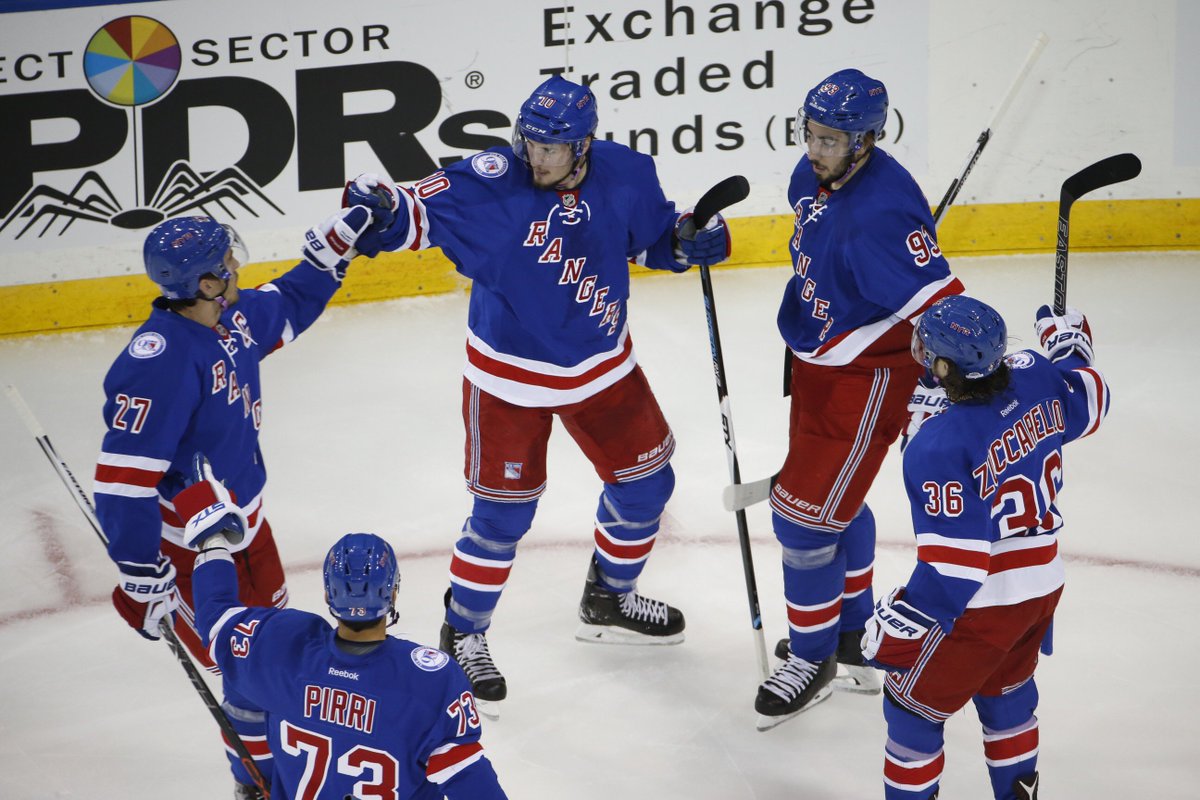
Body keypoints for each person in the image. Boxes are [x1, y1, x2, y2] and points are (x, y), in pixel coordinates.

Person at [342, 74, 732, 712]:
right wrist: (382, 208)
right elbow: (410, 214)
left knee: (648, 487)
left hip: (604, 365)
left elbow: (657, 234)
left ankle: (608, 597)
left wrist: (688, 242)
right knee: (502, 517)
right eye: (532, 144)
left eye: (554, 149)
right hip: (508, 378)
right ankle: (463, 631)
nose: (538, 159)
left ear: (584, 146)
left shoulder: (627, 172)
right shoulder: (492, 179)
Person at [94, 207, 374, 798]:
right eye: (227, 263)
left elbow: (289, 301)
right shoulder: (158, 361)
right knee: (245, 675)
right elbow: (123, 481)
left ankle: (282, 767)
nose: (237, 267)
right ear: (204, 284)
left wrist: (333, 254)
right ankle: (255, 785)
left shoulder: (229, 318)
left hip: (252, 525)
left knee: (272, 655)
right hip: (196, 548)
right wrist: (143, 573)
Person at [756, 68, 966, 730]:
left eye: (831, 139)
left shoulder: (884, 214)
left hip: (870, 379)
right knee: (833, 507)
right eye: (810, 133)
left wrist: (935, 384)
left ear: (867, 141)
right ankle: (849, 635)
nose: (814, 150)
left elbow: (943, 304)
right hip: (820, 360)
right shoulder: (816, 177)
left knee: (803, 522)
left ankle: (813, 658)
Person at [860, 295, 1109, 800]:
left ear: (946, 366)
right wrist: (1069, 346)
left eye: (928, 350)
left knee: (911, 711)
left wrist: (898, 626)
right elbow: (1091, 398)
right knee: (1006, 693)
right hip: (1041, 588)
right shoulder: (1035, 373)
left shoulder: (937, 447)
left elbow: (957, 569)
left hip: (983, 605)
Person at [170, 462, 509, 799]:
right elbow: (472, 783)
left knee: (241, 696)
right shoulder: (429, 682)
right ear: (392, 593)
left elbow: (215, 617)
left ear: (327, 594)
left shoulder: (279, 646)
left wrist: (212, 537)